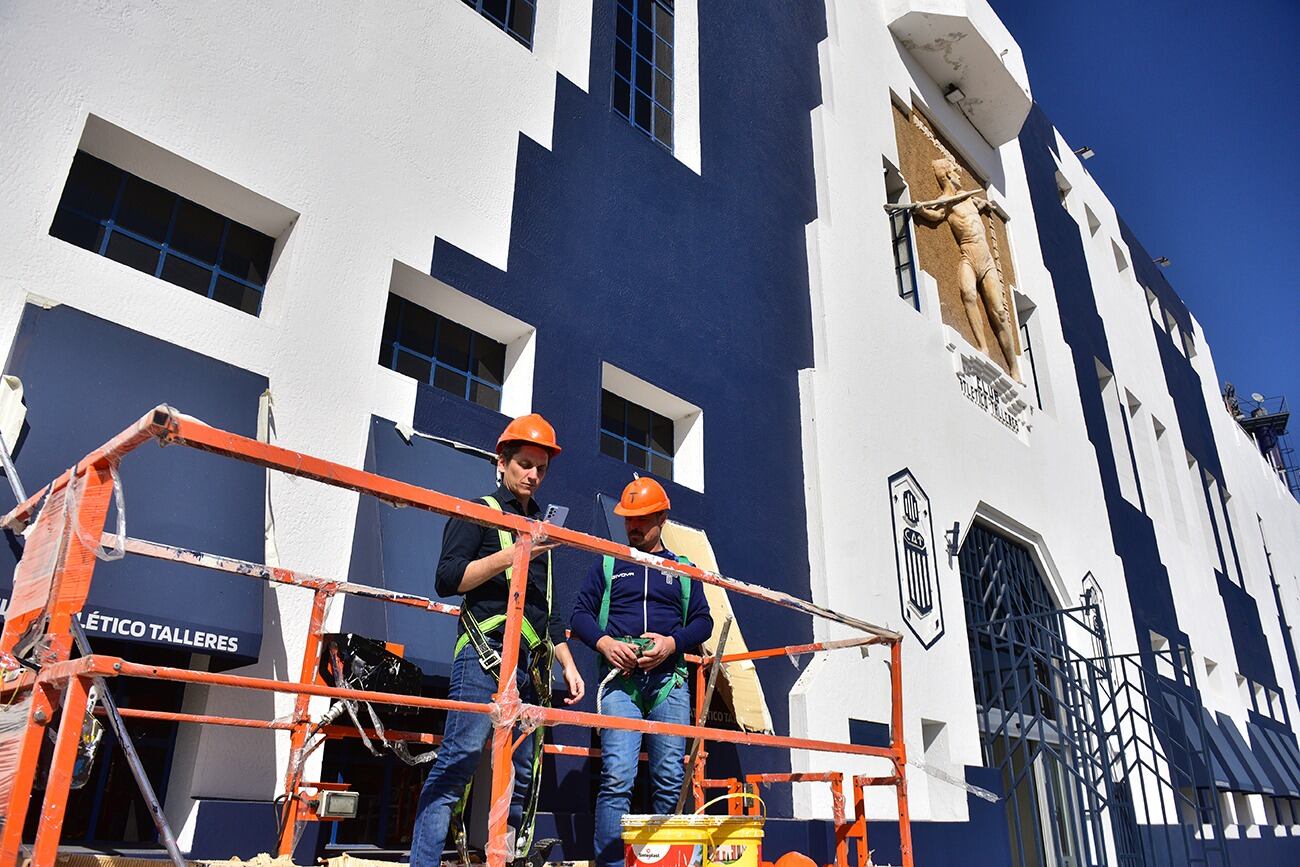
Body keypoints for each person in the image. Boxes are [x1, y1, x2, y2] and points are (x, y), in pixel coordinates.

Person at [410, 413, 585, 866]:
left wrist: (567, 663)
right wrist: (514, 552)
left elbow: (546, 609)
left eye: (541, 469)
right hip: (482, 654)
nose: (533, 475)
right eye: (525, 464)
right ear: (501, 461)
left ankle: (500, 860)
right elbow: (448, 579)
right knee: (458, 760)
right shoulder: (479, 512)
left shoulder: (543, 530)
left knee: (521, 774)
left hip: (530, 663)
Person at [571, 477, 714, 867]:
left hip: (670, 683)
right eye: (628, 519)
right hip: (621, 685)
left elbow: (704, 622)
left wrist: (671, 644)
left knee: (670, 779)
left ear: (663, 518)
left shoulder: (684, 570)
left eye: (643, 520)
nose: (633, 527)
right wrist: (605, 644)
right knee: (617, 777)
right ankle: (612, 863)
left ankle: (667, 862)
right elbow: (580, 615)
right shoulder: (608, 561)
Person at [912, 157, 1022, 382]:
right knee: (968, 294)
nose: (959, 175)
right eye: (955, 171)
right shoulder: (945, 201)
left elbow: (982, 205)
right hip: (968, 254)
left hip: (987, 260)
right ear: (948, 175)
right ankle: (983, 347)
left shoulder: (969, 199)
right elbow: (936, 216)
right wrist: (921, 210)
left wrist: (986, 204)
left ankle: (1014, 368)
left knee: (1000, 313)